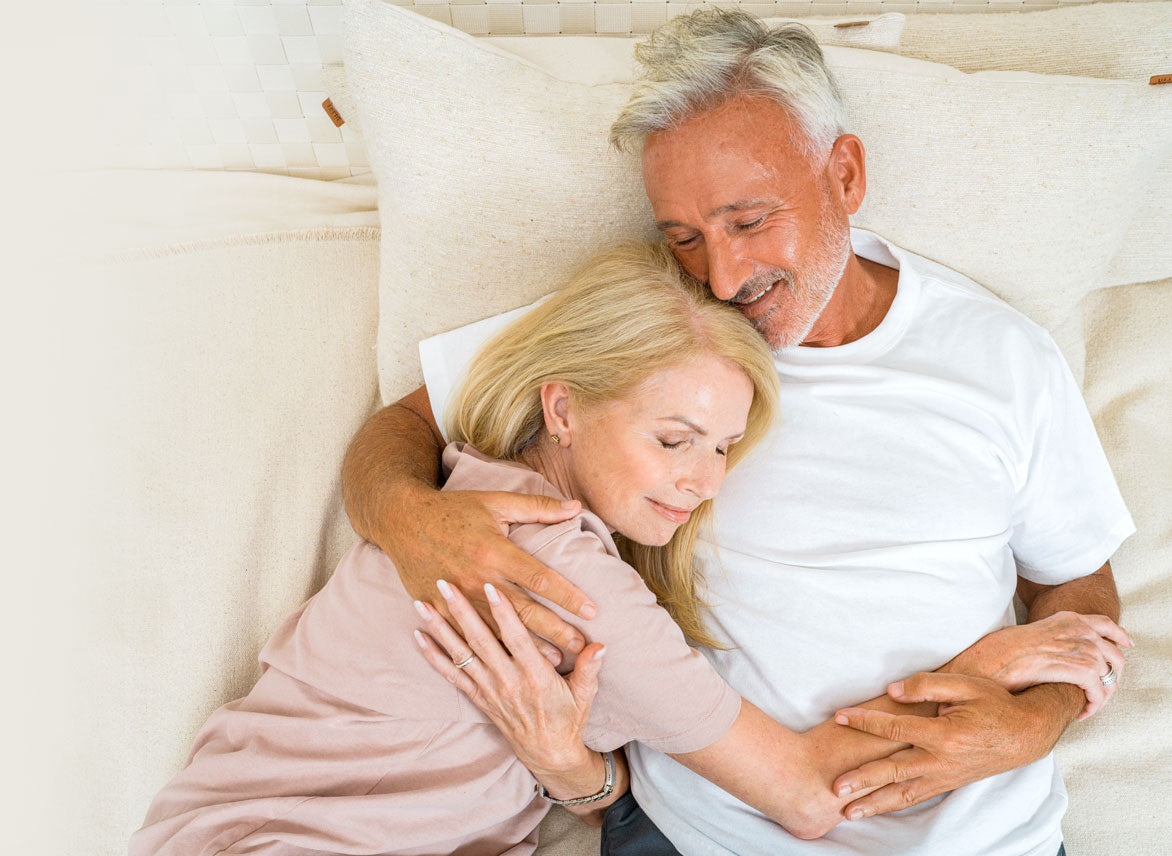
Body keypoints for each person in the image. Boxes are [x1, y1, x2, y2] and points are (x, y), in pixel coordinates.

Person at [339, 9, 1136, 856]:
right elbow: (399, 428)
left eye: (750, 221)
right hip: (706, 832)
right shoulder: (664, 329)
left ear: (845, 175)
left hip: (982, 837)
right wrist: (406, 521)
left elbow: (1079, 586)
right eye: (684, 237)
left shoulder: (1002, 355)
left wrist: (1033, 724)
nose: (723, 275)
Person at [128, 243, 1122, 856]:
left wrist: (576, 778)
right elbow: (810, 795)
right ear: (561, 405)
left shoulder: (481, 487)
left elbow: (586, 774)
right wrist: (987, 664)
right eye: (672, 438)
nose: (701, 482)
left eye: (725, 447)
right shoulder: (560, 568)